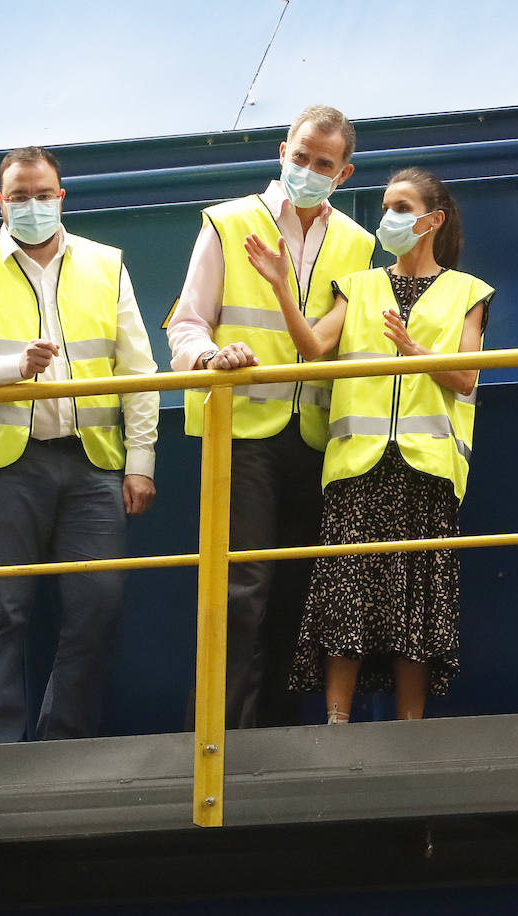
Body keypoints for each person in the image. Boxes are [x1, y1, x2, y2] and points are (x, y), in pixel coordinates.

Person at [0, 146, 160, 743]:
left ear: (62, 196)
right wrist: (12, 368)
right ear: (0, 202)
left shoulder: (106, 265)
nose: (33, 205)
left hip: (92, 464)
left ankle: (65, 741)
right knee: (0, 611)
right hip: (3, 466)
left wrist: (141, 464)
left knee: (98, 607)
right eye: (20, 196)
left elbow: (139, 372)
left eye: (43, 194)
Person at [244, 167, 493, 723]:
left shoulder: (468, 292)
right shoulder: (358, 286)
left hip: (425, 472)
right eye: (387, 207)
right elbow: (313, 347)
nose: (390, 219)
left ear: (434, 220)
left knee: (413, 598)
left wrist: (413, 349)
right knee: (347, 591)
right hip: (357, 469)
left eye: (402, 208)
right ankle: (338, 722)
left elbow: (467, 377)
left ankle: (410, 728)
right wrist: (282, 285)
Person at [166, 104, 374, 728]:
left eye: (324, 164)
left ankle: (278, 736)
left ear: (344, 174)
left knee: (296, 592)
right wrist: (210, 357)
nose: (308, 170)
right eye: (301, 156)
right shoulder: (228, 223)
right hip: (243, 432)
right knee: (240, 589)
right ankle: (220, 738)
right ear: (282, 151)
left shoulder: (358, 244)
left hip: (317, 438)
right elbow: (186, 323)